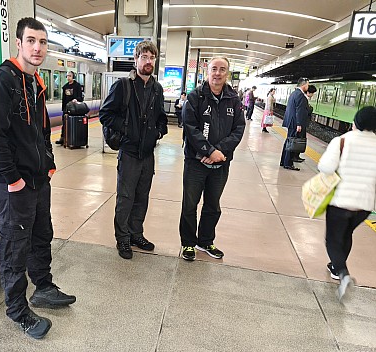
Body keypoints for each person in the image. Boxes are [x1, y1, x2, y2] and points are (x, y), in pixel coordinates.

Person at [0, 17, 76, 339]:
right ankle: (17, 310)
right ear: (19, 44)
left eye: (43, 42)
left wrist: (47, 166)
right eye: (32, 41)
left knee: (41, 235)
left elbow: (39, 133)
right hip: (15, 186)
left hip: (38, 180)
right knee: (14, 246)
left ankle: (44, 287)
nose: (38, 48)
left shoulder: (35, 83)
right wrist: (12, 179)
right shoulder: (3, 81)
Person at [99, 41, 168, 260]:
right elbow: (105, 114)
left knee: (142, 196)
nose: (148, 61)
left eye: (152, 58)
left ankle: (136, 233)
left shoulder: (156, 88)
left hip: (147, 154)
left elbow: (160, 117)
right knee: (126, 197)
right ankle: (123, 238)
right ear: (136, 59)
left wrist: (159, 130)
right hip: (129, 152)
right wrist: (127, 129)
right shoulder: (123, 86)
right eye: (144, 57)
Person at [179, 56, 245, 261]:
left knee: (213, 204)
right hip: (195, 161)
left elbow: (238, 129)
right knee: (190, 204)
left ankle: (205, 241)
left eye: (222, 69)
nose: (217, 73)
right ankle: (188, 244)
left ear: (227, 73)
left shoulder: (234, 100)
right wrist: (208, 151)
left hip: (221, 162)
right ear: (208, 71)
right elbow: (190, 127)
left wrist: (218, 153)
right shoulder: (195, 97)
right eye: (214, 69)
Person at [318, 106, 376, 301]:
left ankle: (341, 273)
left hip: (340, 201)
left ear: (356, 122)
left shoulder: (342, 140)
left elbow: (325, 167)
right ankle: (336, 265)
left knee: (333, 239)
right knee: (347, 233)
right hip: (364, 205)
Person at [279, 77, 309, 171]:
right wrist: (299, 124)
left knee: (288, 141)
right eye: (307, 84)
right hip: (295, 123)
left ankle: (284, 161)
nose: (308, 86)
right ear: (303, 85)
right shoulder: (300, 95)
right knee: (292, 143)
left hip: (291, 121)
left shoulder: (294, 93)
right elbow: (299, 111)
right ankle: (288, 163)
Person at [55, 70, 83, 145]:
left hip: (75, 108)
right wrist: (63, 108)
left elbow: (80, 97)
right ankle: (63, 138)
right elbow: (64, 99)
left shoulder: (77, 86)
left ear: (73, 77)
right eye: (67, 76)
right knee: (65, 123)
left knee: (74, 123)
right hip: (66, 108)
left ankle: (74, 138)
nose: (68, 77)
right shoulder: (65, 87)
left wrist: (76, 99)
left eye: (70, 76)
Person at [294, 84, 317, 162]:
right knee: (299, 139)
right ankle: (295, 156)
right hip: (301, 123)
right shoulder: (303, 99)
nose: (312, 95)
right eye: (312, 93)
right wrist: (299, 124)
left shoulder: (304, 98)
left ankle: (297, 155)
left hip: (302, 123)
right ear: (309, 92)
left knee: (300, 139)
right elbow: (302, 112)